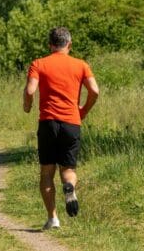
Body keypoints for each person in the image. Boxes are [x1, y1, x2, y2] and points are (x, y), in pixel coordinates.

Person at [23, 26, 99, 230]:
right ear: (69, 44)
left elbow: (30, 90)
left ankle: (53, 218)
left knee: (47, 172)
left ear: (50, 45)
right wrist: (83, 110)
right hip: (71, 122)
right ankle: (69, 187)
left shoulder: (39, 63)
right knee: (68, 169)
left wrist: (27, 105)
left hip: (48, 123)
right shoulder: (81, 65)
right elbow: (95, 90)